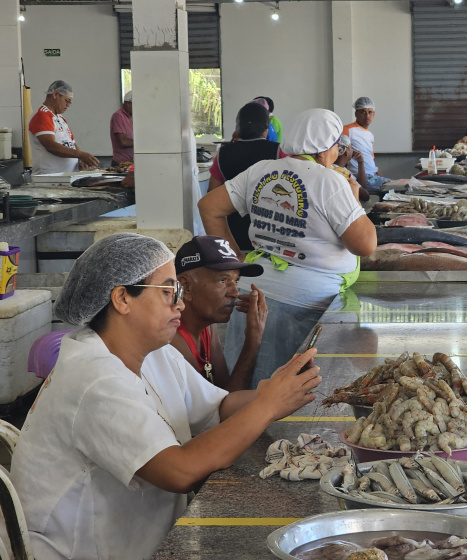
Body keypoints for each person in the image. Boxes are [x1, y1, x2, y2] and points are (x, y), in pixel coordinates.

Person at [9, 232, 321, 560]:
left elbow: (220, 406)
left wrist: (277, 392)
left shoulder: (156, 353)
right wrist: (267, 406)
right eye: (169, 292)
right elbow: (179, 471)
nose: (181, 304)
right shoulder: (94, 380)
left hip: (144, 541)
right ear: (122, 299)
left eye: (179, 292)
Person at [199, 108, 377, 389]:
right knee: (295, 394)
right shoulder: (330, 181)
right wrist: (354, 201)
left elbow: (208, 206)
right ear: (324, 149)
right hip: (309, 301)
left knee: (246, 383)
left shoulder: (261, 171)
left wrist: (235, 265)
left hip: (253, 290)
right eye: (336, 147)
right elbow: (365, 245)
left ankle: (242, 430)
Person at [171, 236, 268, 392]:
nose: (235, 292)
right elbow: (221, 412)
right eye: (223, 281)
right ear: (186, 286)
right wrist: (253, 341)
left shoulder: (208, 325)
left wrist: (253, 336)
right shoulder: (171, 340)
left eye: (236, 281)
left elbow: (224, 392)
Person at [208, 102, 286, 251]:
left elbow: (212, 192)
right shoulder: (278, 152)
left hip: (233, 233)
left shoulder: (223, 154)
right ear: (266, 128)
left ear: (237, 128)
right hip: (270, 231)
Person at [28, 80, 99, 174]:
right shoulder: (42, 116)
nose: (68, 105)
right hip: (48, 176)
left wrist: (80, 158)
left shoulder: (61, 118)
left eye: (70, 102)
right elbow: (51, 146)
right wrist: (80, 154)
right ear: (55, 94)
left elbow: (72, 143)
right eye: (67, 100)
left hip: (63, 176)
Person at [343, 97, 391, 191]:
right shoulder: (347, 130)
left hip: (373, 176)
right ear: (356, 113)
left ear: (374, 114)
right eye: (363, 112)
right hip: (360, 177)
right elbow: (339, 152)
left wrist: (381, 177)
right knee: (402, 187)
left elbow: (370, 160)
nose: (367, 116)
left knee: (398, 185)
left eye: (370, 112)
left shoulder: (370, 135)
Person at [334, 134, 370, 202]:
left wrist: (360, 163)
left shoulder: (340, 168)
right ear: (346, 151)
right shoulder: (341, 172)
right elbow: (365, 196)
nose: (353, 151)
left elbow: (361, 185)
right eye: (351, 148)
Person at [109, 91, 134, 165]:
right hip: (121, 164)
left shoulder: (130, 118)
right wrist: (141, 143)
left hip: (130, 163)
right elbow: (123, 141)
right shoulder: (119, 116)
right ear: (128, 103)